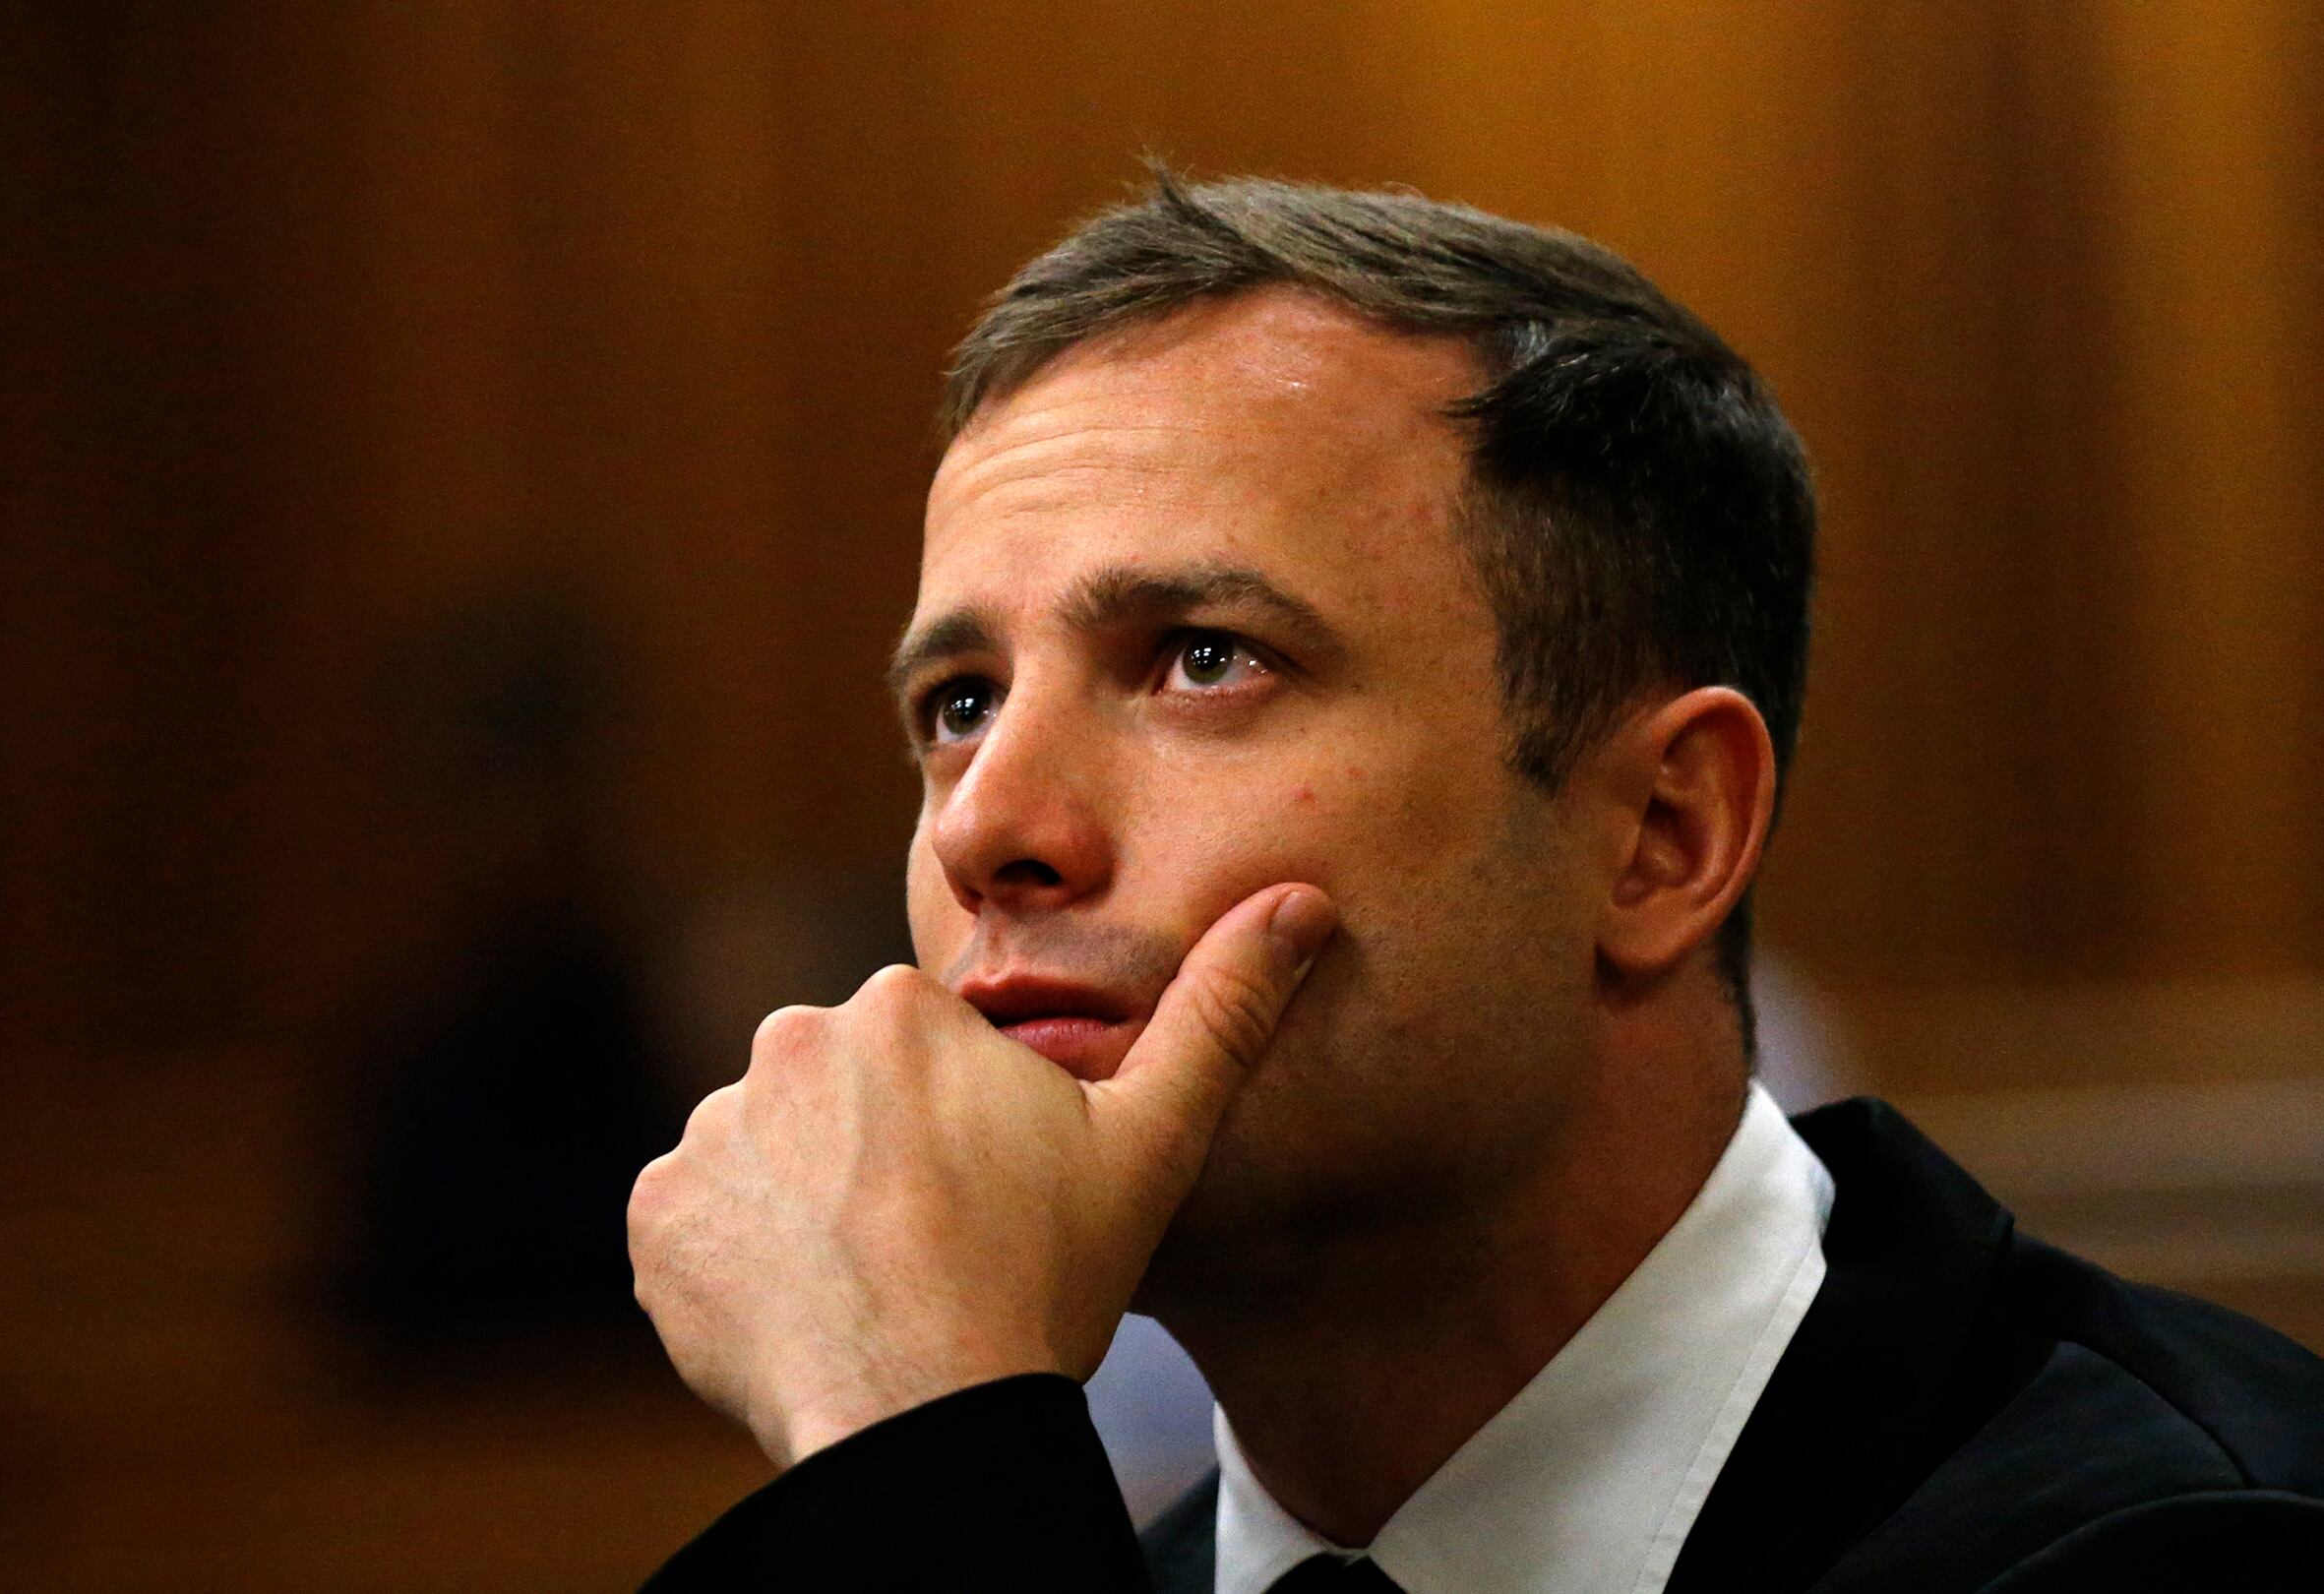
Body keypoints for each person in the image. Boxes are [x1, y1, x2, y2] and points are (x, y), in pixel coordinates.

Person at [625, 175, 2324, 1591]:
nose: (989, 824)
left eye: (1205, 658)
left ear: (1659, 835)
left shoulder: (2185, 1540)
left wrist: (908, 1443)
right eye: (961, 703)